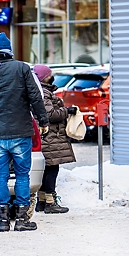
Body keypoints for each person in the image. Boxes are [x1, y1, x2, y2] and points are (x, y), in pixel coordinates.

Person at [0, 32, 49, 232]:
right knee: (23, 175)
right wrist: (43, 120)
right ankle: (22, 219)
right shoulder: (22, 69)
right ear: (9, 51)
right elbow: (35, 97)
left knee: (1, 175)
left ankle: (3, 220)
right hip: (21, 132)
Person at [32, 64, 78, 214]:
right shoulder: (44, 93)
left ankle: (42, 201)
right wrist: (68, 111)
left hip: (47, 135)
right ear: (45, 77)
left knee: (47, 168)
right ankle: (50, 203)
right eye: (49, 75)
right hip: (50, 136)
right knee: (52, 168)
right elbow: (49, 115)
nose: (52, 77)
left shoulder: (40, 91)